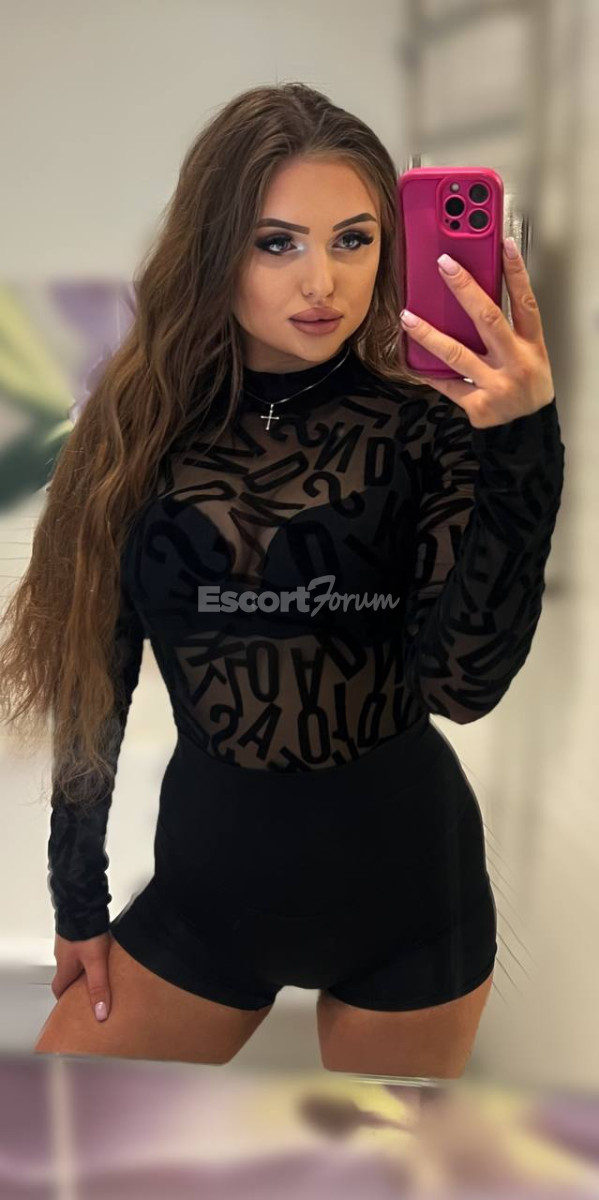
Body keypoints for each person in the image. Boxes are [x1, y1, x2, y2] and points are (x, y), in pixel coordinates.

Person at [0, 82, 564, 1076]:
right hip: (206, 904)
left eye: (352, 240)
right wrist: (76, 903)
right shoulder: (134, 437)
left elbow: (462, 685)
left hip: (411, 900)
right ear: (213, 248)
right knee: (53, 1143)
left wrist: (520, 447)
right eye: (277, 243)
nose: (321, 282)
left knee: (380, 1160)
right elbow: (94, 687)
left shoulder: (426, 428)